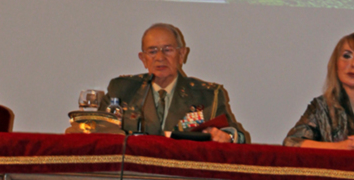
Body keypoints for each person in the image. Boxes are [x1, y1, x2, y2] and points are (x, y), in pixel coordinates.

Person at [98, 23, 249, 143]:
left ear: (181, 54)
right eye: (152, 51)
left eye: (167, 50)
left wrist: (228, 137)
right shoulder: (122, 90)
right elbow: (97, 131)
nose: (160, 57)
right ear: (143, 59)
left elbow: (237, 135)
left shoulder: (208, 96)